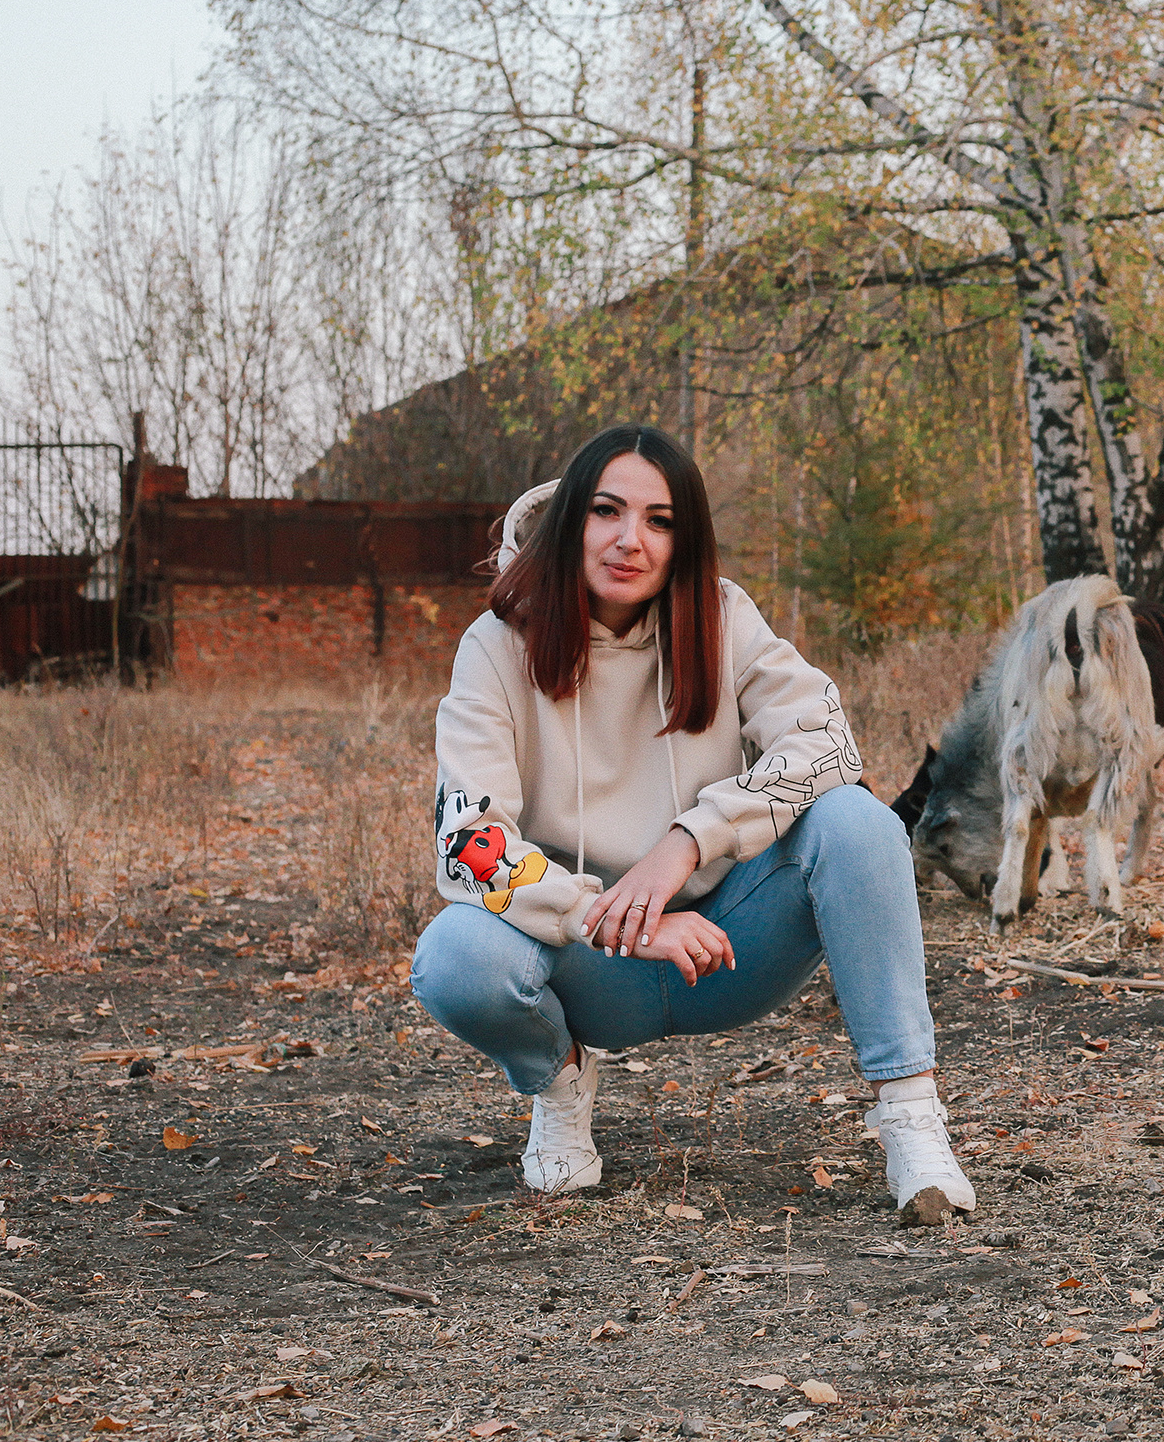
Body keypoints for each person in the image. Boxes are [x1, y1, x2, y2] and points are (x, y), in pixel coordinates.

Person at [408, 423, 973, 1224]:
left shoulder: (720, 615)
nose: (630, 539)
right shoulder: (496, 647)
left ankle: (911, 1118)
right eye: (607, 510)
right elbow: (469, 842)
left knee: (859, 822)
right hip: (589, 969)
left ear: (684, 538)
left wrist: (688, 842)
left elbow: (826, 740)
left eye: (660, 520)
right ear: (573, 518)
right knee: (454, 954)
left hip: (727, 944)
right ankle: (560, 1082)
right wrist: (618, 919)